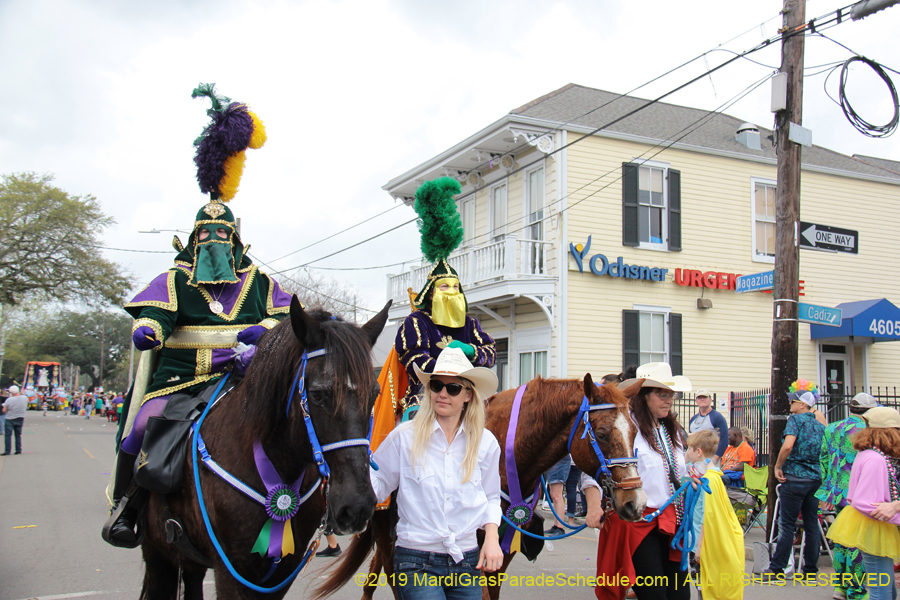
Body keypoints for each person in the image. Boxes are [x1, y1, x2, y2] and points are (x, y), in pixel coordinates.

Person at [103, 84, 289, 549]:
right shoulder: (176, 279)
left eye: (222, 236)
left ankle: (312, 505)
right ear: (192, 240)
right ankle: (126, 508)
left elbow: (285, 319)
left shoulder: (258, 281)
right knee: (141, 427)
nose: (214, 243)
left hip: (242, 381)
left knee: (296, 425)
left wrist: (262, 332)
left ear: (236, 242)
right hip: (180, 381)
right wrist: (149, 328)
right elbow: (155, 316)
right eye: (205, 236)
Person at [370, 347, 502, 599]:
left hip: (466, 560)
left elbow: (491, 497)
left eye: (452, 388)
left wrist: (492, 538)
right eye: (436, 385)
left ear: (468, 395)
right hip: (415, 560)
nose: (442, 393)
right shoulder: (403, 437)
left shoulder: (486, 443)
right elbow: (376, 484)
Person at [394, 178, 496, 418]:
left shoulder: (470, 324)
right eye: (444, 287)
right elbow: (416, 360)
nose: (451, 291)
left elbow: (491, 352)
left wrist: (470, 350)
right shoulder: (416, 322)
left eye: (455, 287)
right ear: (432, 293)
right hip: (426, 396)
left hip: (465, 396)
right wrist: (452, 376)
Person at [595, 362, 692, 600]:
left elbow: (679, 470)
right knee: (654, 594)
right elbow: (598, 464)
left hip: (672, 521)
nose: (669, 400)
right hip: (639, 522)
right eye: (661, 394)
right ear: (643, 395)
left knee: (680, 596)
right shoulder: (627, 428)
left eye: (671, 394)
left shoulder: (671, 429)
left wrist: (693, 478)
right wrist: (593, 503)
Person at [826, 406, 900, 600]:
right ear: (890, 433)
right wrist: (894, 513)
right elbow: (866, 502)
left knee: (886, 589)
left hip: (872, 525)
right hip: (875, 527)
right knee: (881, 592)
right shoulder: (876, 459)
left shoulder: (868, 455)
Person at [764, 380, 827, 581]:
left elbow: (788, 446)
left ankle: (777, 569)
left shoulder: (795, 420)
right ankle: (810, 570)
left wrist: (777, 466)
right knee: (811, 524)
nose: (789, 404)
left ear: (802, 405)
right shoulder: (820, 425)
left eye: (793, 401)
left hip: (794, 477)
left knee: (787, 525)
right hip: (814, 478)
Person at [816, 392, 877, 600]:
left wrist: (828, 490)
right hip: (861, 493)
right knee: (857, 542)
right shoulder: (869, 431)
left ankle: (840, 587)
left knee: (842, 539)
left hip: (837, 492)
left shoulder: (832, 428)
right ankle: (856, 591)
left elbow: (824, 459)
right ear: (870, 411)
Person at [684, 430, 744, 600]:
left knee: (704, 589)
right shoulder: (715, 475)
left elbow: (707, 515)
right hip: (709, 543)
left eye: (689, 448)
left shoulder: (708, 480)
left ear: (698, 451)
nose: (687, 452)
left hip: (703, 544)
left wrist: (699, 548)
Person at [687, 389, 728, 462]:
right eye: (699, 397)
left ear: (710, 400)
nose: (702, 399)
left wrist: (715, 458)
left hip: (710, 459)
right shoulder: (693, 419)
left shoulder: (717, 417)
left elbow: (724, 439)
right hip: (694, 460)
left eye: (705, 397)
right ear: (696, 401)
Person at [545, 455, 575, 535]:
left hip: (559, 460)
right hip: (554, 460)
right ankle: (556, 525)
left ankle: (560, 527)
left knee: (556, 495)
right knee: (553, 494)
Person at [2, 386, 28, 455]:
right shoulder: (25, 398)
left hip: (10, 418)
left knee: (8, 435)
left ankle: (7, 450)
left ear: (11, 392)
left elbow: (4, 410)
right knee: (18, 435)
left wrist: (4, 406)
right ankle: (18, 449)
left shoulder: (9, 400)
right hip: (20, 417)